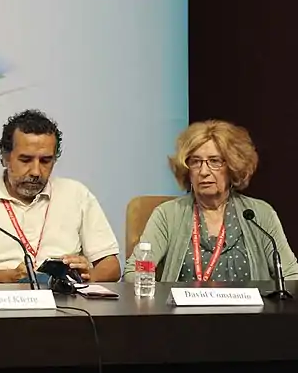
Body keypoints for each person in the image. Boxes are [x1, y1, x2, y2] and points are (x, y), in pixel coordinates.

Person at [0, 109, 122, 284]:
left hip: (64, 303)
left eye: (45, 161)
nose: (36, 171)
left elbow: (111, 266)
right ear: (5, 157)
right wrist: (7, 277)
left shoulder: (76, 194)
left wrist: (88, 276)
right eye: (25, 160)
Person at [125, 120, 297, 282]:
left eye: (214, 161)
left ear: (232, 166)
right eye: (196, 162)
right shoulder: (168, 215)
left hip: (249, 313)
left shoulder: (258, 214)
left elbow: (291, 275)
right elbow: (133, 271)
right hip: (184, 313)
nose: (204, 171)